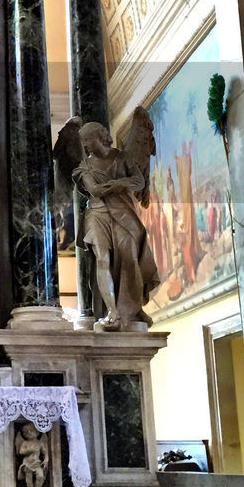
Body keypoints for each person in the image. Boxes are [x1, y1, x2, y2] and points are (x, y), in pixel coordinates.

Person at [73, 121, 160, 330]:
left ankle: (133, 307)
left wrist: (120, 183)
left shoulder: (123, 157)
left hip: (123, 212)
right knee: (102, 258)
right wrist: (119, 184)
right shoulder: (84, 166)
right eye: (83, 141)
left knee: (129, 257)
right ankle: (112, 312)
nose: (84, 145)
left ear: (100, 137)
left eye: (87, 139)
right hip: (97, 214)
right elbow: (94, 190)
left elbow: (139, 182)